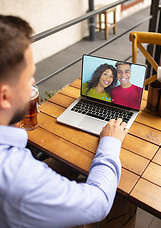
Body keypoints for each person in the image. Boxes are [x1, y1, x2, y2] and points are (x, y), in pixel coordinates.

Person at [0, 15, 134, 228]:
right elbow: (98, 203)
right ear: (5, 97)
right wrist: (110, 143)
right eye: (27, 78)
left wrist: (7, 120)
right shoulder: (19, 177)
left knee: (66, 160)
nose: (33, 83)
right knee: (122, 197)